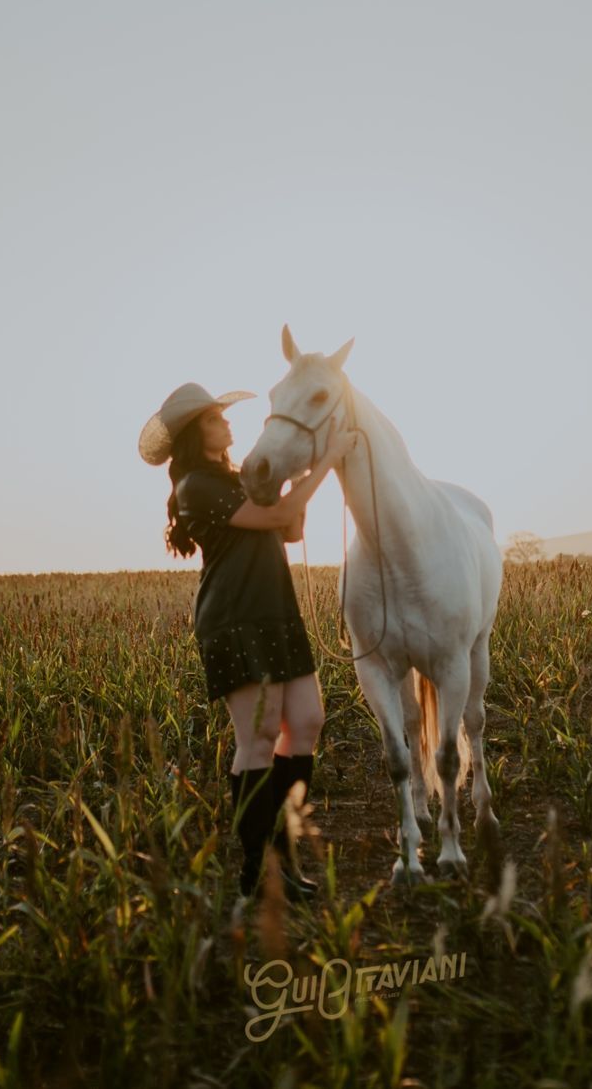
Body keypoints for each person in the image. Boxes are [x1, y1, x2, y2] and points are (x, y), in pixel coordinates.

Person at [139, 381, 357, 907]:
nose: (228, 424)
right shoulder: (195, 485)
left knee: (305, 721)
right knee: (258, 738)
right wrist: (326, 462)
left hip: (275, 610)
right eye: (217, 418)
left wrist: (298, 475)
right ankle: (260, 871)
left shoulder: (233, 478)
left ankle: (280, 858)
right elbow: (279, 518)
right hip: (235, 617)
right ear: (198, 433)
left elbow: (289, 530)